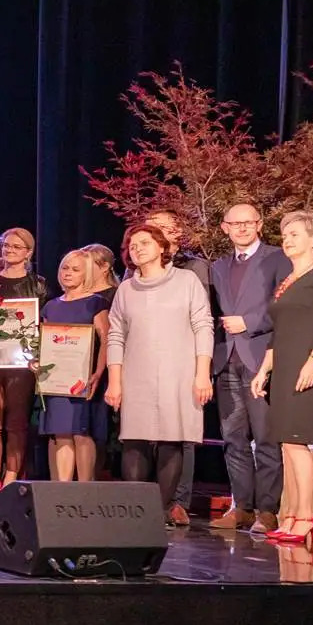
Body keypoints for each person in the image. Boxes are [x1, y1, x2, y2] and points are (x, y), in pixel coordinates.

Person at [105, 223, 212, 521]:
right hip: (137, 372)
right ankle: (135, 513)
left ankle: (160, 511)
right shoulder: (126, 289)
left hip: (179, 371)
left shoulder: (186, 280)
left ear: (162, 247)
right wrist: (115, 381)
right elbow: (116, 335)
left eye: (145, 243)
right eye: (132, 245)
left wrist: (202, 373)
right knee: (134, 438)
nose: (137, 249)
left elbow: (203, 325)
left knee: (171, 438)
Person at [251, 211, 313, 548]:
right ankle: (293, 515)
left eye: (295, 234)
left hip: (307, 366)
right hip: (284, 367)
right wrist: (264, 370)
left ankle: (306, 516)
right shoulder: (288, 280)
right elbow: (279, 331)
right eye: (285, 235)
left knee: (298, 443)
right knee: (286, 444)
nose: (287, 240)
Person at [208, 203, 291, 533]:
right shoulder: (218, 266)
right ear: (225, 228)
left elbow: (286, 304)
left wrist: (250, 322)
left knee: (266, 437)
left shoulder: (278, 258)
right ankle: (241, 506)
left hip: (261, 358)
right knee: (233, 438)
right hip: (226, 360)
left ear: (259, 225)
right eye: (235, 223)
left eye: (248, 222)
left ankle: (268, 510)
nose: (242, 228)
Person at [144, 208, 212, 524]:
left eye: (162, 226)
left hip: (182, 359)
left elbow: (199, 317)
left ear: (178, 231)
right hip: (147, 361)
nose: (154, 230)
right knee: (148, 434)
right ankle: (150, 501)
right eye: (150, 225)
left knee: (181, 433)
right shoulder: (137, 268)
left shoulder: (194, 267)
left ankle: (177, 501)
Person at [0, 227, 48, 504]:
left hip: (22, 364)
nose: (10, 250)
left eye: (17, 247)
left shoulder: (38, 284)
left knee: (16, 423)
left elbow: (44, 324)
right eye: (6, 245)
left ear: (28, 252)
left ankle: (11, 478)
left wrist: (38, 351)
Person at [38, 250, 111, 482]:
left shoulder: (96, 303)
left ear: (86, 273)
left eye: (75, 269)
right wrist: (37, 363)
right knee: (61, 434)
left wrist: (98, 372)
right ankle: (64, 492)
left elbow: (106, 340)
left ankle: (85, 491)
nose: (68, 273)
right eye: (65, 268)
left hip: (84, 378)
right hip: (57, 381)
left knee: (81, 433)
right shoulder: (51, 306)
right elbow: (44, 344)